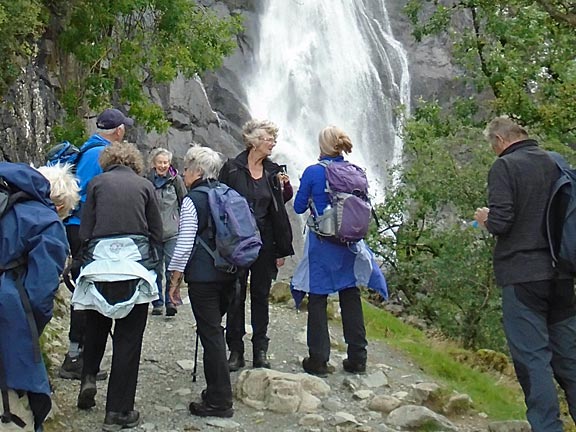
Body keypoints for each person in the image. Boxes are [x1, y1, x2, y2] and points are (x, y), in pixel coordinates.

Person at [473, 116, 576, 432]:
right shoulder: (556, 162)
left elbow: (502, 222)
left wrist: (485, 219)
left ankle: (547, 428)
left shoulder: (505, 166)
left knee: (533, 359)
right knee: (570, 359)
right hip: (562, 275)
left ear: (500, 141)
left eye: (493, 146)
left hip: (523, 276)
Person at [72, 142, 162, 431]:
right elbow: (157, 232)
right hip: (134, 268)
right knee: (128, 340)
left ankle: (88, 378)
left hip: (100, 268)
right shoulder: (145, 186)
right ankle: (118, 411)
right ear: (135, 164)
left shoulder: (96, 183)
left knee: (96, 325)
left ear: (106, 162)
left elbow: (85, 231)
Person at [292, 125, 387, 377]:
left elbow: (299, 207)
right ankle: (358, 358)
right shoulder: (355, 171)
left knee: (318, 297)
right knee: (350, 293)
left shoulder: (314, 172)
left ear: (321, 146)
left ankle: (319, 360)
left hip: (323, 244)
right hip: (350, 243)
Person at [0, 162, 79, 432]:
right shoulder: (46, 223)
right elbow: (39, 294)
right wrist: (31, 330)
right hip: (7, 315)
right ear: (59, 206)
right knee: (13, 398)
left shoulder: (6, 206)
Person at [59, 107, 134, 380]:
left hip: (79, 227)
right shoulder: (97, 155)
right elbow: (91, 194)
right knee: (86, 290)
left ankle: (78, 353)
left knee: (86, 288)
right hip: (84, 229)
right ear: (119, 131)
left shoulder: (90, 150)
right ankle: (75, 357)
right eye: (124, 128)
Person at [219, 119, 294, 371]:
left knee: (261, 296)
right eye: (268, 139)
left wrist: (282, 249)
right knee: (235, 295)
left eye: (273, 139)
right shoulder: (231, 169)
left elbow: (279, 209)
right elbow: (220, 204)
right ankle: (235, 350)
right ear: (253, 141)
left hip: (265, 242)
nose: (272, 143)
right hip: (238, 243)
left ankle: (260, 349)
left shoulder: (273, 172)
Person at [168, 145, 236, 418]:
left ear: (196, 171)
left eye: (185, 168)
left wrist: (174, 279)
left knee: (211, 335)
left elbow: (184, 244)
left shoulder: (192, 200)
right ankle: (216, 391)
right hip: (230, 274)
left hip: (204, 278)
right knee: (214, 331)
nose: (183, 173)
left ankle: (220, 400)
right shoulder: (228, 193)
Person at [146, 148, 187, 316]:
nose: (163, 165)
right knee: (155, 268)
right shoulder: (147, 181)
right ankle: (157, 302)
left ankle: (171, 300)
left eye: (165, 162)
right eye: (160, 162)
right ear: (154, 164)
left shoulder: (176, 180)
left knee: (172, 267)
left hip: (173, 232)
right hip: (153, 232)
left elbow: (185, 202)